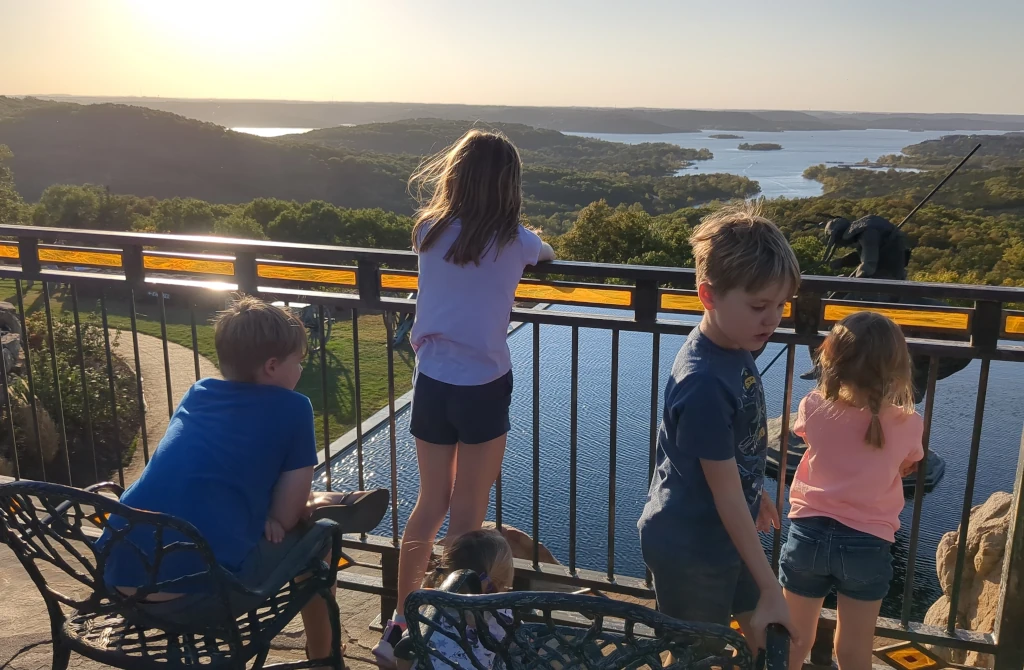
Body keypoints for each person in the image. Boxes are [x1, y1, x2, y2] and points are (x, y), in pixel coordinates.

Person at [373, 129, 555, 667]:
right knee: (468, 518)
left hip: (431, 381)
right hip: (482, 387)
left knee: (429, 503)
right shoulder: (516, 240)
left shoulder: (427, 229)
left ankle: (401, 622)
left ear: (452, 176)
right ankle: (450, 632)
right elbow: (546, 252)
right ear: (510, 186)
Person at [100, 297, 339, 662]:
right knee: (320, 539)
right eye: (299, 361)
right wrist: (275, 518)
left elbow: (202, 469)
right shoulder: (293, 408)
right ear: (273, 366)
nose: (302, 369)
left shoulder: (198, 393)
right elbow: (288, 515)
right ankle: (324, 657)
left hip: (118, 576)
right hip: (191, 594)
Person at [637, 201, 801, 654]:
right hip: (691, 549)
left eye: (781, 304)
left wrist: (756, 491)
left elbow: (731, 455)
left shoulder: (733, 341)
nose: (773, 318)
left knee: (765, 642)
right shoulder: (704, 381)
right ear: (708, 295)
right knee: (695, 655)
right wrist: (773, 588)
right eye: (759, 305)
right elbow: (723, 491)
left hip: (729, 531)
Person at [780, 311, 924, 670]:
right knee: (854, 649)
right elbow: (909, 463)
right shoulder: (909, 423)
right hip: (867, 542)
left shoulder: (813, 405)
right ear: (897, 367)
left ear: (830, 359)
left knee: (794, 639)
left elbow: (807, 438)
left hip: (808, 534)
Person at [396, 529, 515, 670]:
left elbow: (404, 651)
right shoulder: (503, 615)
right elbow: (514, 650)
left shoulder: (429, 612)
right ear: (501, 582)